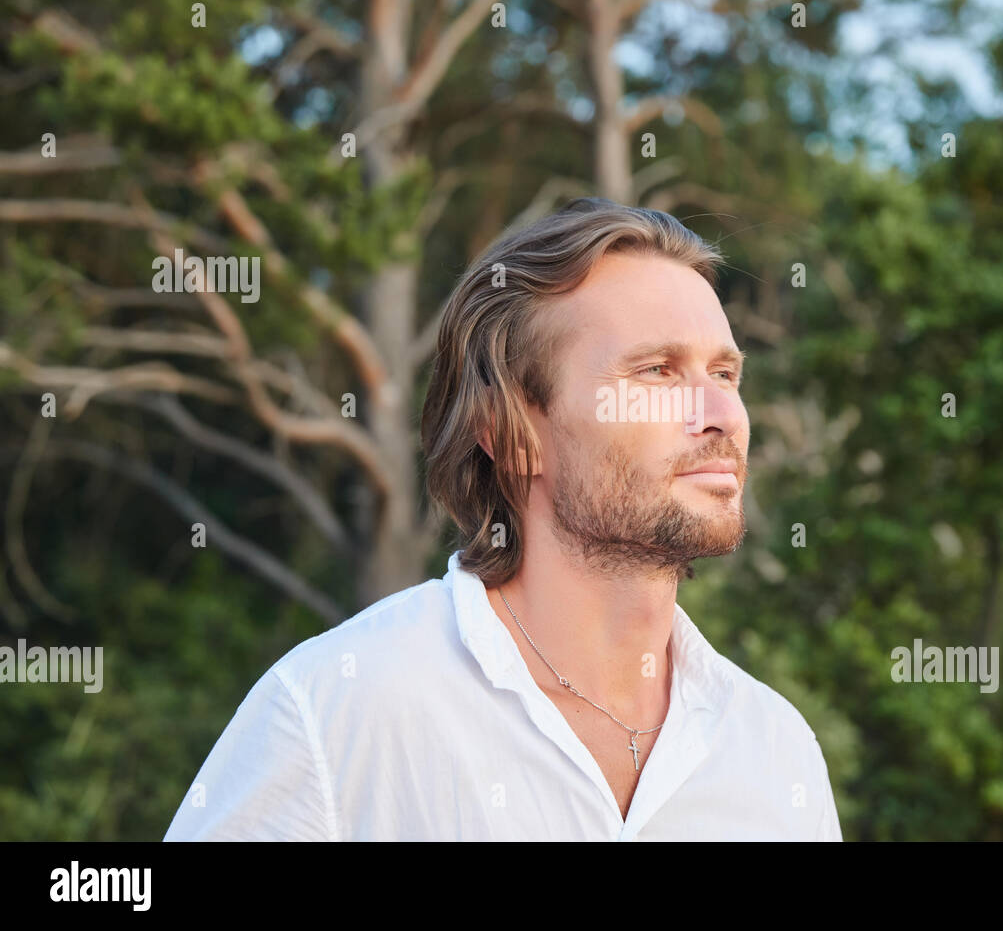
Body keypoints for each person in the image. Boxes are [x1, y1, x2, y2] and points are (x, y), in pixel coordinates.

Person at [163, 197, 842, 840]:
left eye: (725, 375)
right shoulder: (335, 712)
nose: (721, 415)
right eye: (658, 372)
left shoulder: (776, 754)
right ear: (512, 434)